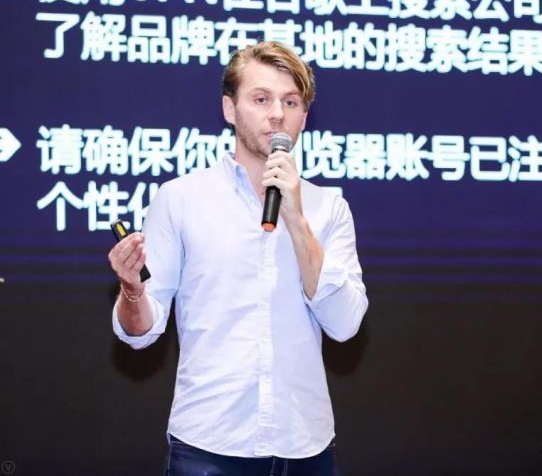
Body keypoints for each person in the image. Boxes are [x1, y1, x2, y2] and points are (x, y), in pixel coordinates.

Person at [108, 41, 369, 476]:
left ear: (304, 117)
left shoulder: (328, 209)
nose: (277, 114)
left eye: (291, 102)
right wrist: (132, 290)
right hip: (208, 444)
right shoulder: (181, 198)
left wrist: (296, 219)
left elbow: (345, 325)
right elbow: (141, 333)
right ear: (229, 108)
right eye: (261, 99)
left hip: (305, 446)